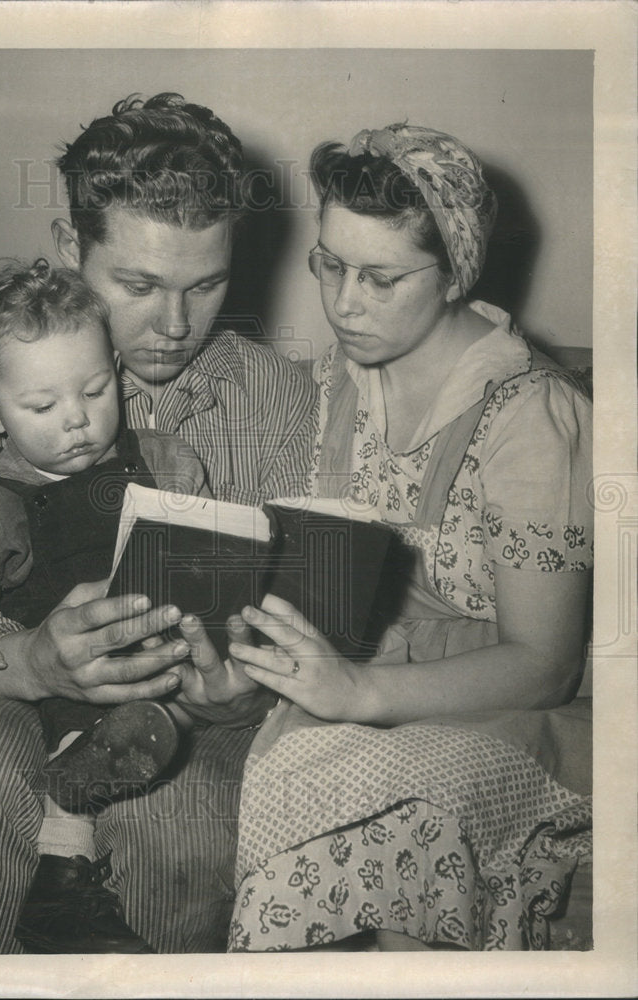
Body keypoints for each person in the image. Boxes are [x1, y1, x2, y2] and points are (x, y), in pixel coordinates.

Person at [0, 93, 317, 954]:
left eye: (207, 284)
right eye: (139, 285)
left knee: (183, 826)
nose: (176, 325)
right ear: (69, 251)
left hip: (187, 721)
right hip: (3, 703)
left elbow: (307, 618)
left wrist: (247, 685)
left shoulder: (277, 401)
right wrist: (27, 663)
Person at [224, 124, 593, 952]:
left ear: (454, 271)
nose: (344, 302)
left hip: (494, 709)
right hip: (357, 683)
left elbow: (545, 663)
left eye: (380, 277)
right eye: (329, 264)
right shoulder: (334, 381)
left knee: (383, 831)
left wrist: (358, 692)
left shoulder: (530, 415)